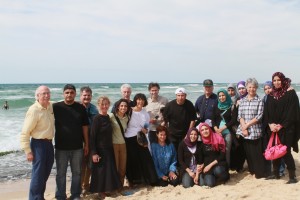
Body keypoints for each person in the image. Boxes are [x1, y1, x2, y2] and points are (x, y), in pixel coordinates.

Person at [53, 84, 89, 200]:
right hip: (60, 147)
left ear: (75, 94)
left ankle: (75, 194)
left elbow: (85, 127)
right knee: (60, 174)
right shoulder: (56, 107)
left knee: (77, 173)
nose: (69, 94)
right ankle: (60, 195)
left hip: (77, 147)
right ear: (63, 94)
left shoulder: (81, 108)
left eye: (71, 92)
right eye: (67, 92)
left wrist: (87, 144)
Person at [264, 72, 300, 184]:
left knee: (286, 151)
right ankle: (276, 174)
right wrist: (270, 124)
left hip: (286, 128)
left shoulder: (290, 93)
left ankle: (292, 177)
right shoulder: (270, 95)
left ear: (283, 80)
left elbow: (293, 112)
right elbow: (266, 112)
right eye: (274, 80)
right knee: (275, 151)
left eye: (278, 80)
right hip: (273, 129)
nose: (276, 82)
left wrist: (281, 125)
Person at [20, 85, 55, 200]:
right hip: (38, 145)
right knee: (38, 174)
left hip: (49, 144)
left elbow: (61, 103)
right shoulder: (33, 110)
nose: (46, 95)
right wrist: (28, 151)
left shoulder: (50, 106)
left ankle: (40, 196)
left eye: (48, 93)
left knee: (45, 173)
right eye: (43, 93)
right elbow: (25, 133)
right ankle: (34, 198)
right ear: (38, 96)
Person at [90, 96, 121, 197]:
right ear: (99, 105)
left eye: (106, 104)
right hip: (100, 149)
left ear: (109, 105)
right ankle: (100, 191)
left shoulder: (108, 117)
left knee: (108, 170)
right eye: (102, 104)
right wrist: (94, 153)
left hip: (109, 147)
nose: (104, 106)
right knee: (100, 171)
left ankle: (108, 189)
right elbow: (92, 137)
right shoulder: (96, 119)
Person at [124, 93, 158, 186]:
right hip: (130, 137)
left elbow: (146, 126)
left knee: (146, 158)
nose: (140, 101)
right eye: (138, 99)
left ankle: (149, 180)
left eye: (142, 100)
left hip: (141, 138)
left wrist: (145, 130)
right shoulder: (129, 111)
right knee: (133, 160)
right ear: (135, 100)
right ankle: (132, 181)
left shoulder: (145, 113)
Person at [236, 78, 265, 179]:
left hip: (255, 130)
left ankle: (260, 173)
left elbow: (259, 116)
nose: (251, 89)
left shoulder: (259, 100)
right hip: (244, 130)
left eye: (253, 87)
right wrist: (243, 127)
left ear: (256, 88)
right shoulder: (242, 101)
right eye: (249, 87)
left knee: (256, 153)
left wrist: (247, 126)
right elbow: (240, 115)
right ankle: (252, 171)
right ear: (247, 88)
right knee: (248, 153)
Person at [163, 88, 197, 152]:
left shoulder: (189, 104)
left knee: (184, 152)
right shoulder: (169, 105)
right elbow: (165, 120)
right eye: (179, 95)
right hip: (172, 134)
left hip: (185, 133)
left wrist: (188, 133)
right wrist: (167, 132)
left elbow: (193, 120)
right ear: (176, 96)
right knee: (173, 152)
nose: (180, 97)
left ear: (185, 96)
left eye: (182, 95)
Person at [79, 86, 99, 195]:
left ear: (91, 96)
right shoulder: (76, 107)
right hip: (78, 141)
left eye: (88, 95)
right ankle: (78, 187)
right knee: (80, 165)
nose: (86, 97)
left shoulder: (94, 109)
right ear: (80, 96)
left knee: (90, 165)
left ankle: (86, 186)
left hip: (91, 140)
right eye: (84, 95)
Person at [211, 88, 238, 167]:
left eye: (223, 95)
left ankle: (227, 168)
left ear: (226, 95)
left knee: (226, 150)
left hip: (227, 132)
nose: (221, 97)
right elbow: (213, 118)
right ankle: (218, 167)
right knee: (216, 150)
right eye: (219, 96)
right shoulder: (216, 106)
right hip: (217, 132)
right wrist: (216, 128)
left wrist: (222, 128)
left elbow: (233, 120)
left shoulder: (232, 106)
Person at [198, 123, 229, 187]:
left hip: (218, 163)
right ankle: (212, 178)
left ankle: (220, 177)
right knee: (210, 184)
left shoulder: (218, 138)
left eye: (206, 129)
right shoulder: (201, 144)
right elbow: (200, 160)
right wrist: (198, 172)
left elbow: (222, 155)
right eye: (202, 130)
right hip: (207, 166)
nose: (205, 131)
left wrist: (210, 165)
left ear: (209, 129)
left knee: (218, 171)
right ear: (200, 132)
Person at [109, 98, 130, 188]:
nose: (123, 107)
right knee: (115, 167)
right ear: (117, 107)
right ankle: (113, 186)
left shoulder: (127, 118)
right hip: (114, 144)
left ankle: (120, 186)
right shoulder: (111, 116)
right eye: (121, 106)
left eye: (125, 106)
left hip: (123, 144)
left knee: (122, 167)